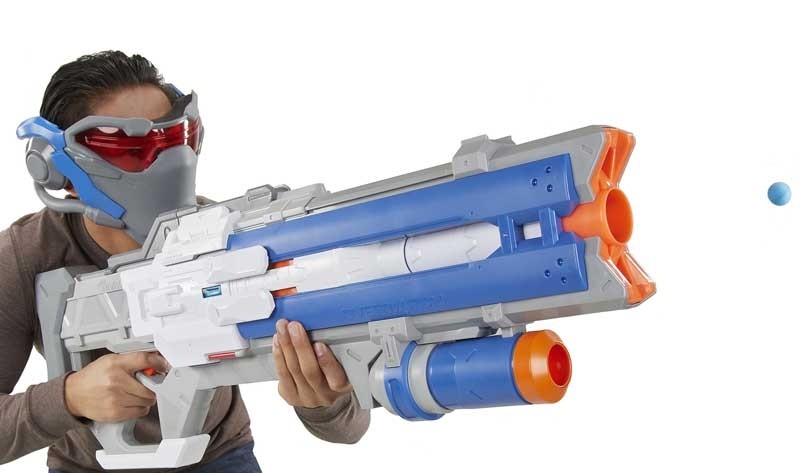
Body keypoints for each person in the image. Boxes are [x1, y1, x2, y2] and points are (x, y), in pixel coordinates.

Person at [0, 51, 369, 473]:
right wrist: (69, 398)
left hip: (219, 454)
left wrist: (324, 400)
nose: (168, 164)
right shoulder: (26, 256)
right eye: (130, 148)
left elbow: (348, 429)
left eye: (175, 139)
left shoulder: (236, 239)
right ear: (59, 172)